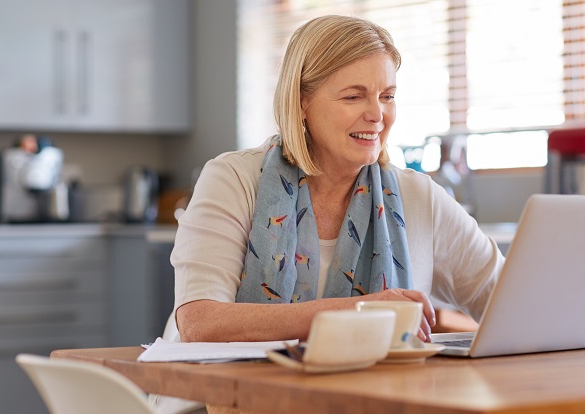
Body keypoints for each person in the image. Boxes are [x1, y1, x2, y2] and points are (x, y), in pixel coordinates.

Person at [171, 15, 505, 344]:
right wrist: (358, 311)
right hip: (212, 396)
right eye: (353, 96)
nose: (377, 115)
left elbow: (510, 299)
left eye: (387, 96)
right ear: (302, 102)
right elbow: (200, 323)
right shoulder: (233, 180)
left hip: (361, 397)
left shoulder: (420, 199)